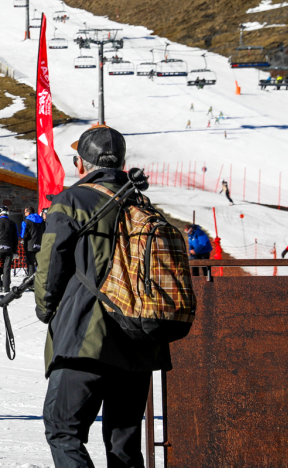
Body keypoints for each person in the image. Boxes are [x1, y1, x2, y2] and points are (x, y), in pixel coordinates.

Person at [35, 125, 170, 468]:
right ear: (121, 163)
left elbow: (50, 267)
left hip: (84, 338)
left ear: (81, 163)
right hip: (138, 342)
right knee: (124, 447)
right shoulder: (141, 203)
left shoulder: (72, 201)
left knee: (63, 430)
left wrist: (47, 309)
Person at [19, 207, 45, 276]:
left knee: (30, 263)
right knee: (40, 263)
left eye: (25, 212)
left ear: (28, 213)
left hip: (29, 245)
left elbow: (22, 234)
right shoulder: (41, 220)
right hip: (40, 244)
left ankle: (31, 279)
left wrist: (23, 238)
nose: (24, 214)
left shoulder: (26, 221)